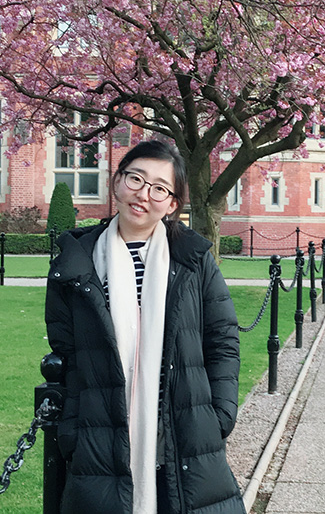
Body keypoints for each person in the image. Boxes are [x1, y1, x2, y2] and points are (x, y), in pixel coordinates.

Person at [45, 140, 245, 514]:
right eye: (135, 179)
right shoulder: (76, 263)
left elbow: (222, 340)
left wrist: (219, 415)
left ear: (171, 204)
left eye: (158, 188)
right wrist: (72, 431)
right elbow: (66, 352)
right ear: (117, 182)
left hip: (184, 430)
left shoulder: (193, 260)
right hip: (101, 435)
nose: (143, 194)